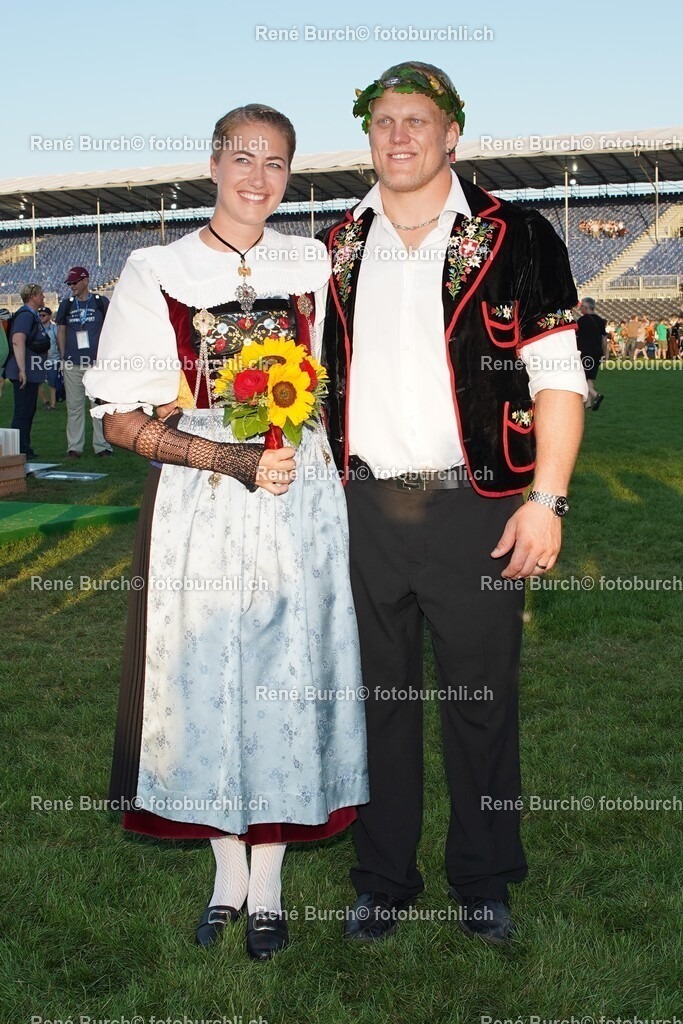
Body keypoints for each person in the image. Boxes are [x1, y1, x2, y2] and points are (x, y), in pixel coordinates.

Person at [83, 104, 368, 962]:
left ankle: (271, 880)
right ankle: (226, 876)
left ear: (289, 173)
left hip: (300, 494)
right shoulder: (154, 268)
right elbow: (120, 423)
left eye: (275, 163)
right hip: (201, 500)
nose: (257, 176)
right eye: (242, 158)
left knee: (291, 667)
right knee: (206, 673)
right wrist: (225, 457)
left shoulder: (311, 261)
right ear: (212, 163)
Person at [320, 61, 587, 946]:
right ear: (369, 134)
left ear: (451, 136)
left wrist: (545, 500)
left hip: (478, 504)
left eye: (417, 121)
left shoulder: (517, 235)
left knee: (480, 701)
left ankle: (482, 877)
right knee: (376, 702)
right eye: (384, 121)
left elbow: (557, 375)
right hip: (360, 507)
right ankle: (382, 876)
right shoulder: (331, 245)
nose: (399, 136)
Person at [56, 267, 113, 458]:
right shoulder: (66, 305)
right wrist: (64, 356)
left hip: (96, 364)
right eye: (69, 283)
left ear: (85, 281)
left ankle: (102, 445)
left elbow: (109, 329)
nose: (71, 286)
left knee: (98, 406)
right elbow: (61, 330)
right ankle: (74, 447)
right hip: (73, 364)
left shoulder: (100, 302)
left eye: (74, 282)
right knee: (74, 406)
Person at [4, 284, 49, 457]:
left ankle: (24, 447)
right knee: (23, 412)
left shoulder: (31, 315)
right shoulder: (25, 316)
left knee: (28, 410)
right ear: (32, 296)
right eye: (40, 294)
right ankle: (19, 449)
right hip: (24, 372)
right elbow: (17, 340)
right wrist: (22, 369)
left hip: (30, 372)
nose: (43, 296)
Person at [576, 297, 607, 410]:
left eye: (582, 307)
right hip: (597, 353)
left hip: (585, 353)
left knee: (582, 378)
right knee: (589, 378)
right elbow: (604, 339)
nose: (580, 310)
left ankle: (596, 395)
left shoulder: (581, 321)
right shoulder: (600, 320)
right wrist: (604, 354)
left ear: (586, 307)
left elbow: (576, 337)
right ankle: (588, 404)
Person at [38, 307, 60, 410]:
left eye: (43, 315)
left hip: (53, 360)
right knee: (38, 382)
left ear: (49, 316)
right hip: (39, 360)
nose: (41, 317)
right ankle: (45, 401)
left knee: (52, 383)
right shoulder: (37, 328)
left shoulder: (55, 328)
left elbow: (60, 342)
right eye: (40, 315)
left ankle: (53, 405)